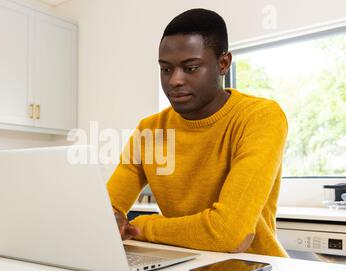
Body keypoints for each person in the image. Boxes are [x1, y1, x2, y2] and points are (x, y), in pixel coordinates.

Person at [107, 8, 289, 257]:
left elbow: (228, 233)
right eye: (166, 69)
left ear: (223, 64)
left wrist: (141, 226)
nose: (174, 81)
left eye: (190, 68)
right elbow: (106, 212)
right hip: (182, 265)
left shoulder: (260, 117)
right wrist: (111, 218)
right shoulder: (149, 130)